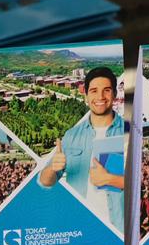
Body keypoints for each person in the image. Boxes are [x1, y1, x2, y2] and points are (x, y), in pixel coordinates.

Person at [38, 66, 126, 234]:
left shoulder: (130, 133)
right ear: (85, 95)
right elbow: (45, 181)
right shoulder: (71, 136)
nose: (100, 97)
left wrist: (110, 179)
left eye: (106, 90)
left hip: (118, 229)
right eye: (94, 91)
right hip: (80, 228)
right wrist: (52, 168)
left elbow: (142, 183)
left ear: (114, 94)